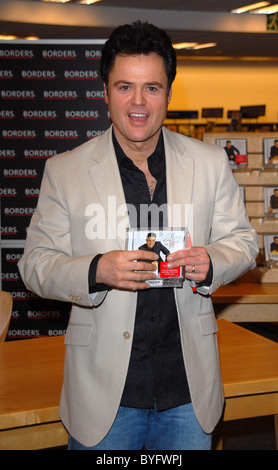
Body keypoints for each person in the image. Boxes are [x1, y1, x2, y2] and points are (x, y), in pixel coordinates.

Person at [18, 21, 258, 450]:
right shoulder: (66, 170)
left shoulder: (209, 163)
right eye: (125, 86)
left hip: (187, 392)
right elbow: (35, 265)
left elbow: (243, 241)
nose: (138, 103)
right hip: (105, 397)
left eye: (152, 87)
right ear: (105, 92)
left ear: (169, 92)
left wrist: (211, 262)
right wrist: (96, 270)